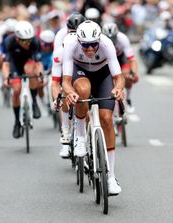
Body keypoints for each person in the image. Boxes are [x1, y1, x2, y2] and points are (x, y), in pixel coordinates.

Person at [62, 20, 124, 195]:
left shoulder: (106, 43)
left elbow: (119, 77)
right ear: (79, 42)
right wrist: (70, 93)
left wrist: (118, 88)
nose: (90, 50)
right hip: (80, 73)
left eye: (93, 45)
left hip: (103, 75)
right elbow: (65, 82)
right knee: (82, 90)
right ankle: (80, 137)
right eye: (86, 46)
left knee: (106, 118)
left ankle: (111, 177)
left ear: (99, 40)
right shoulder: (71, 44)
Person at [52, 12, 86, 158]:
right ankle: (65, 133)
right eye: (71, 32)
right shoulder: (60, 37)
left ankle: (87, 137)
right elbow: (55, 81)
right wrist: (57, 99)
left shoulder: (87, 41)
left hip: (82, 67)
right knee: (64, 95)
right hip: (63, 64)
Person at [2, 21, 43, 138]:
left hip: (28, 62)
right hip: (15, 64)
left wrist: (40, 75)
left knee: (32, 72)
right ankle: (16, 122)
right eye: (25, 41)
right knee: (16, 90)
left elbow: (38, 62)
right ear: (17, 39)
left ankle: (34, 102)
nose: (28, 43)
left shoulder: (35, 41)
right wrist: (6, 78)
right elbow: (6, 64)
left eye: (30, 39)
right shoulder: (9, 41)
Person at [102, 22, 139, 113]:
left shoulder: (123, 38)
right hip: (106, 60)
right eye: (108, 38)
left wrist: (133, 73)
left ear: (117, 35)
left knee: (127, 76)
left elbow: (132, 59)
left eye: (113, 38)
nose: (111, 40)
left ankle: (128, 99)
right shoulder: (100, 40)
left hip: (120, 59)